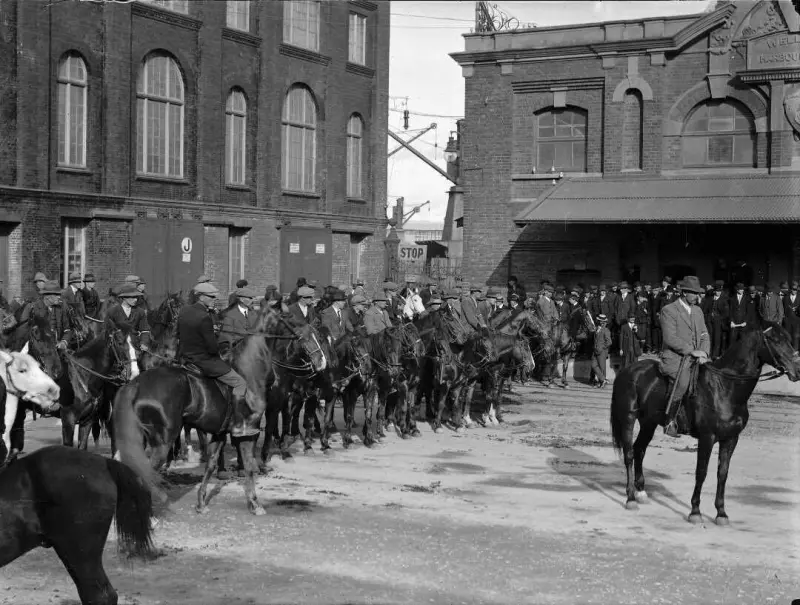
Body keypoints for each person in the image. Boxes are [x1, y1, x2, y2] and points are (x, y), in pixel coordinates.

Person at [177, 282, 260, 438]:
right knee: (239, 382)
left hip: (185, 358)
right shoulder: (205, 317)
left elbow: (179, 335)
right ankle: (237, 425)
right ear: (201, 296)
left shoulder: (184, 311)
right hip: (203, 360)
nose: (214, 299)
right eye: (211, 297)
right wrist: (216, 346)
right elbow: (212, 348)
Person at [659, 276, 710, 438]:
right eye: (694, 293)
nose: (697, 296)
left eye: (698, 293)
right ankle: (669, 421)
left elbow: (704, 334)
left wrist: (704, 353)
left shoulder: (698, 311)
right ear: (684, 293)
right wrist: (692, 351)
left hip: (695, 357)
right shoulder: (669, 310)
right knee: (682, 383)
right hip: (675, 357)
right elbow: (670, 338)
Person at [105, 283, 151, 380]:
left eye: (137, 297)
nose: (136, 300)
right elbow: (107, 332)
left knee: (146, 368)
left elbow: (145, 330)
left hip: (136, 345)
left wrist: (144, 343)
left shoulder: (140, 312)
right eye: (133, 297)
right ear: (124, 298)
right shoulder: (112, 312)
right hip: (119, 346)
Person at [218, 286, 257, 355]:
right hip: (237, 350)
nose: (253, 300)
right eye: (250, 298)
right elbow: (227, 335)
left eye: (253, 298)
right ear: (242, 299)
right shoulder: (230, 314)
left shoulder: (254, 314)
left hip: (254, 349)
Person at [591, 314, 612, 389]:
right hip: (595, 351)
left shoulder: (606, 330)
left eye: (603, 322)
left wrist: (602, 347)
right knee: (593, 365)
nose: (601, 323)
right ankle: (603, 380)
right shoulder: (597, 328)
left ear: (605, 322)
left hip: (602, 352)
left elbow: (609, 342)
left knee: (602, 368)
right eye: (600, 321)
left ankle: (601, 383)